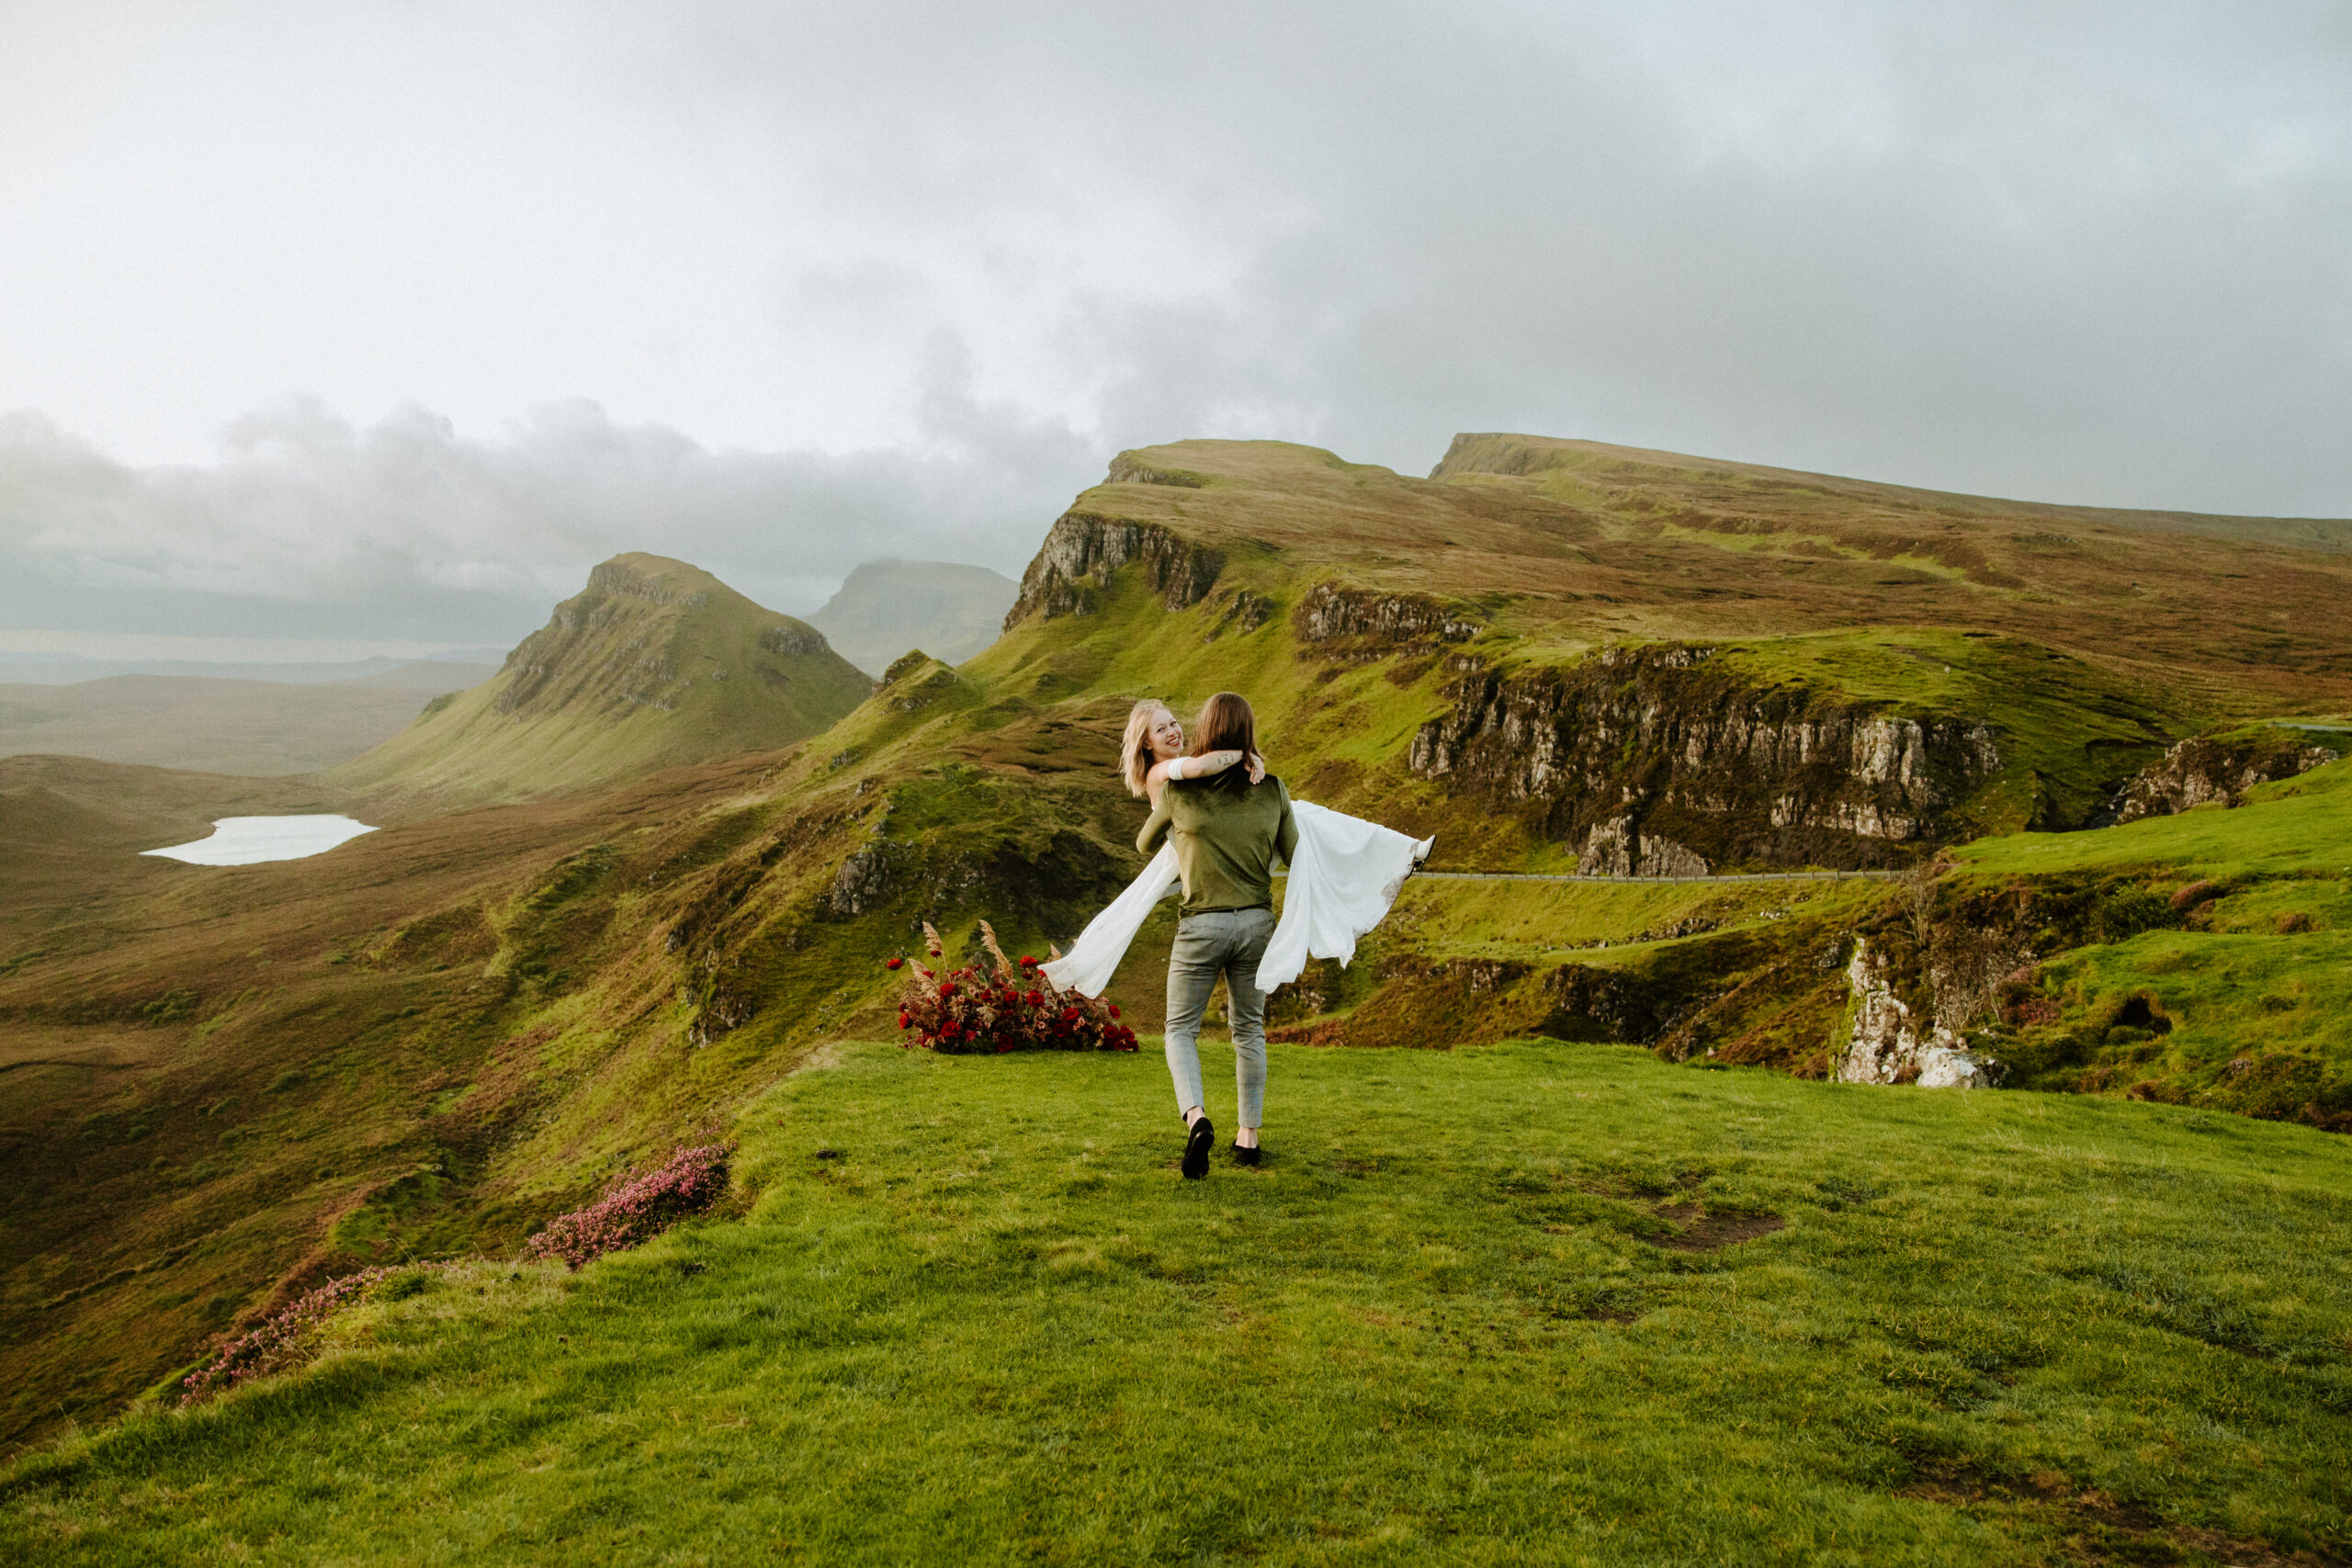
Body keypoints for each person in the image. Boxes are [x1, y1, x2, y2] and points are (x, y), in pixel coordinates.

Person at [1045, 693, 1432, 1179]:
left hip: (1201, 926)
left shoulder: (1177, 793)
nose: (1172, 732)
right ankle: (1248, 1138)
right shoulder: (1271, 790)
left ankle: (1197, 1118)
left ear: (1203, 730)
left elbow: (1145, 842)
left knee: (1180, 1030)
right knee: (1248, 1030)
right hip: (1255, 925)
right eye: (1161, 728)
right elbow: (1296, 854)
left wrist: (1186, 842)